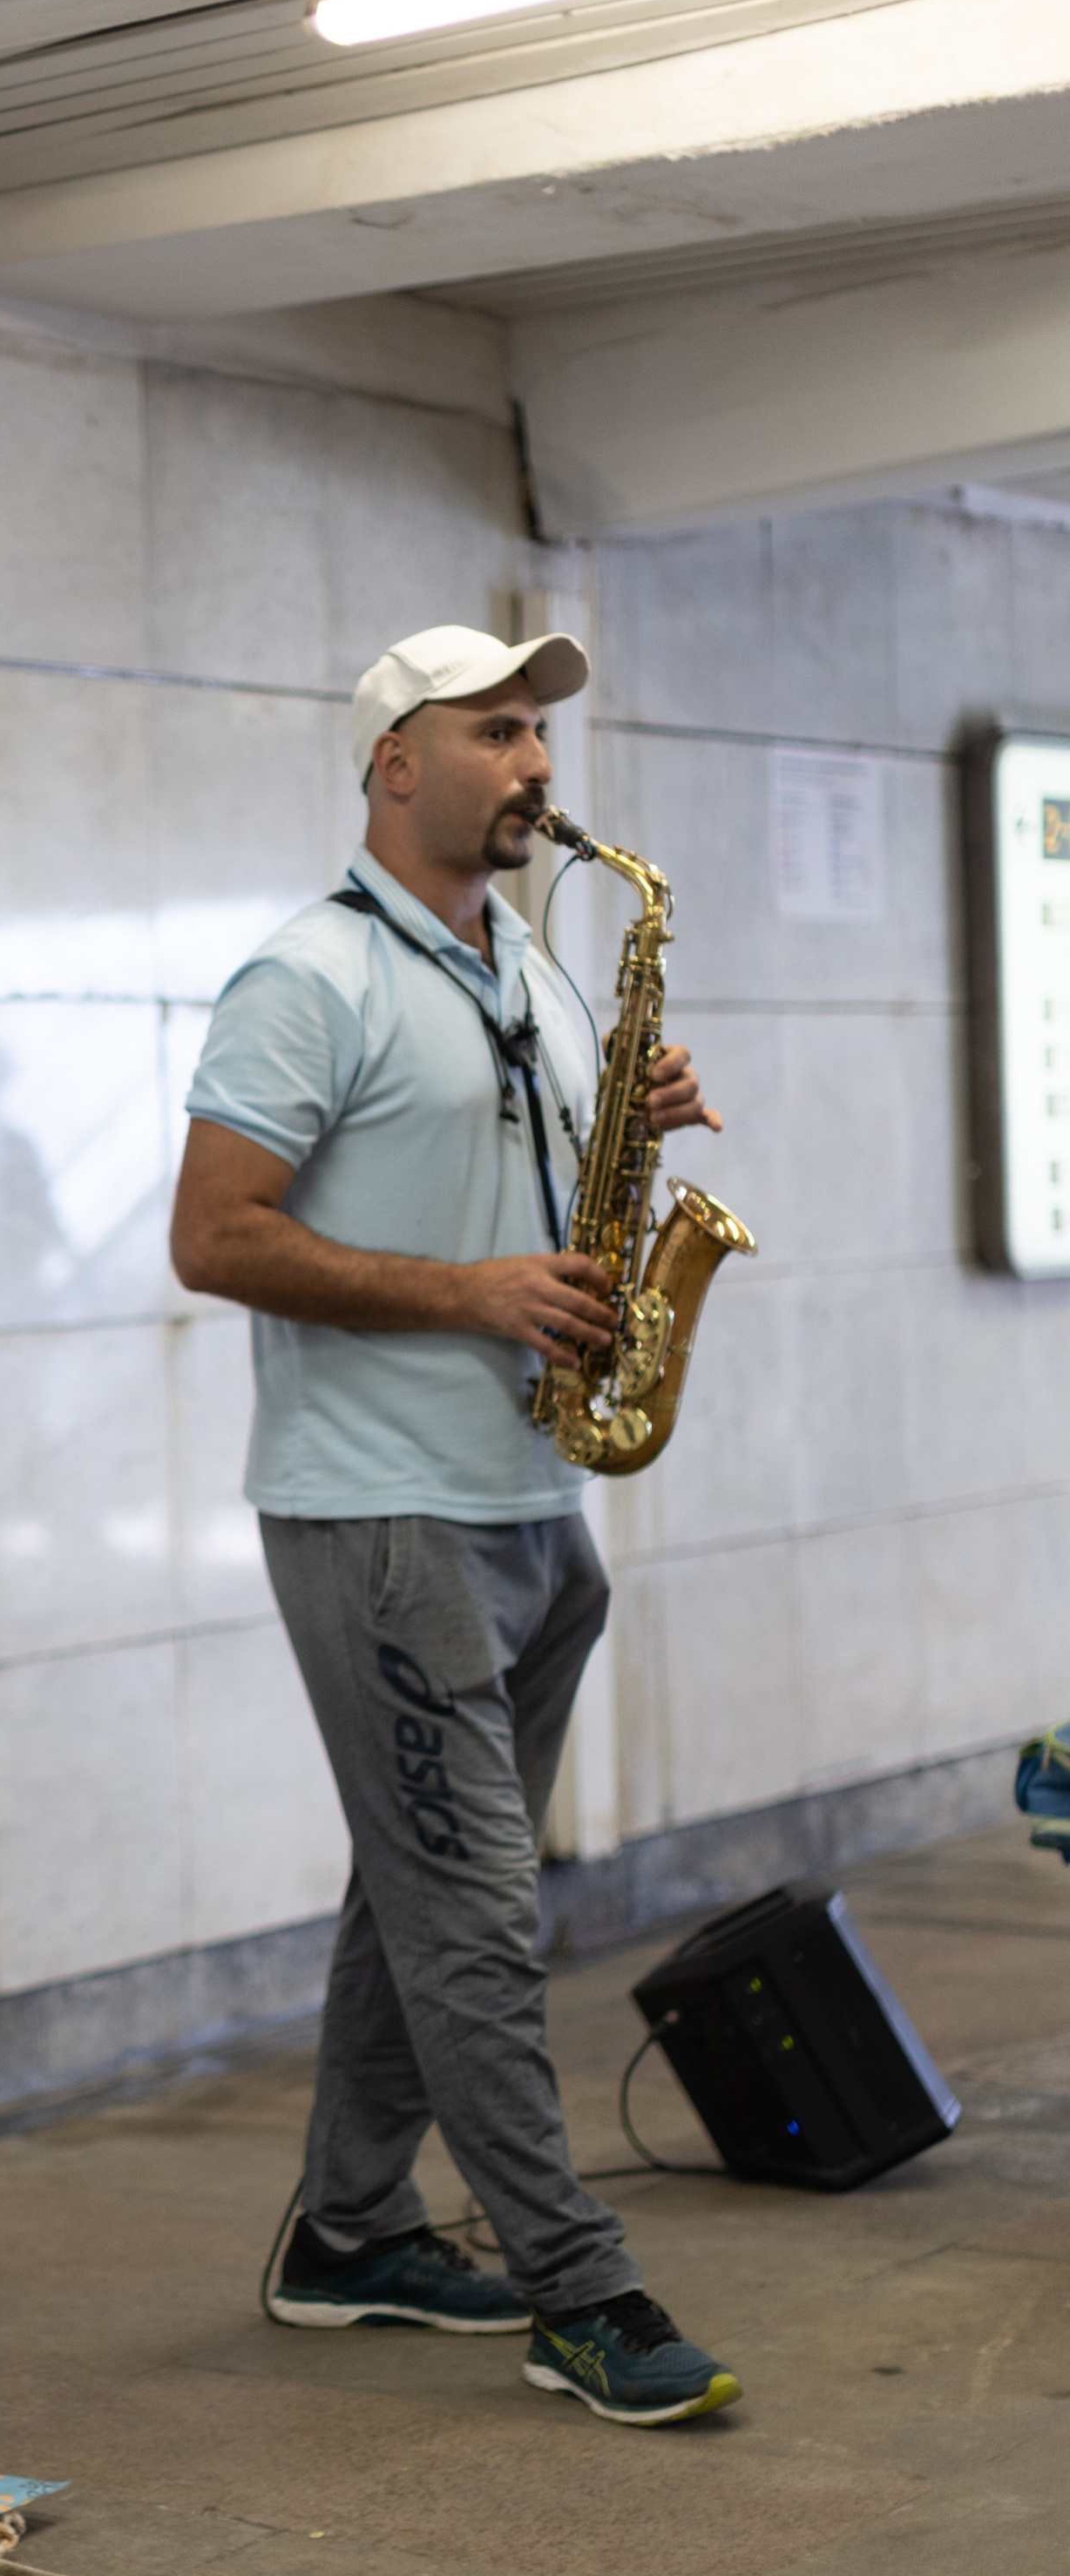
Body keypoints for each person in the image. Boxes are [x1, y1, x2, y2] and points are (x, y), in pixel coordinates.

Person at [171, 623, 741, 2428]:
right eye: (493, 729)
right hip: (379, 1513)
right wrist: (469, 1292)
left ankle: (345, 2232)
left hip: (531, 1501)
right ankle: (575, 2285)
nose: (532, 762)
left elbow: (531, 1185)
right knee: (478, 1911)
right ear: (389, 762)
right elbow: (214, 1237)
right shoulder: (304, 977)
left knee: (411, 1893)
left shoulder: (542, 971)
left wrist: (620, 1117)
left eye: (538, 730)